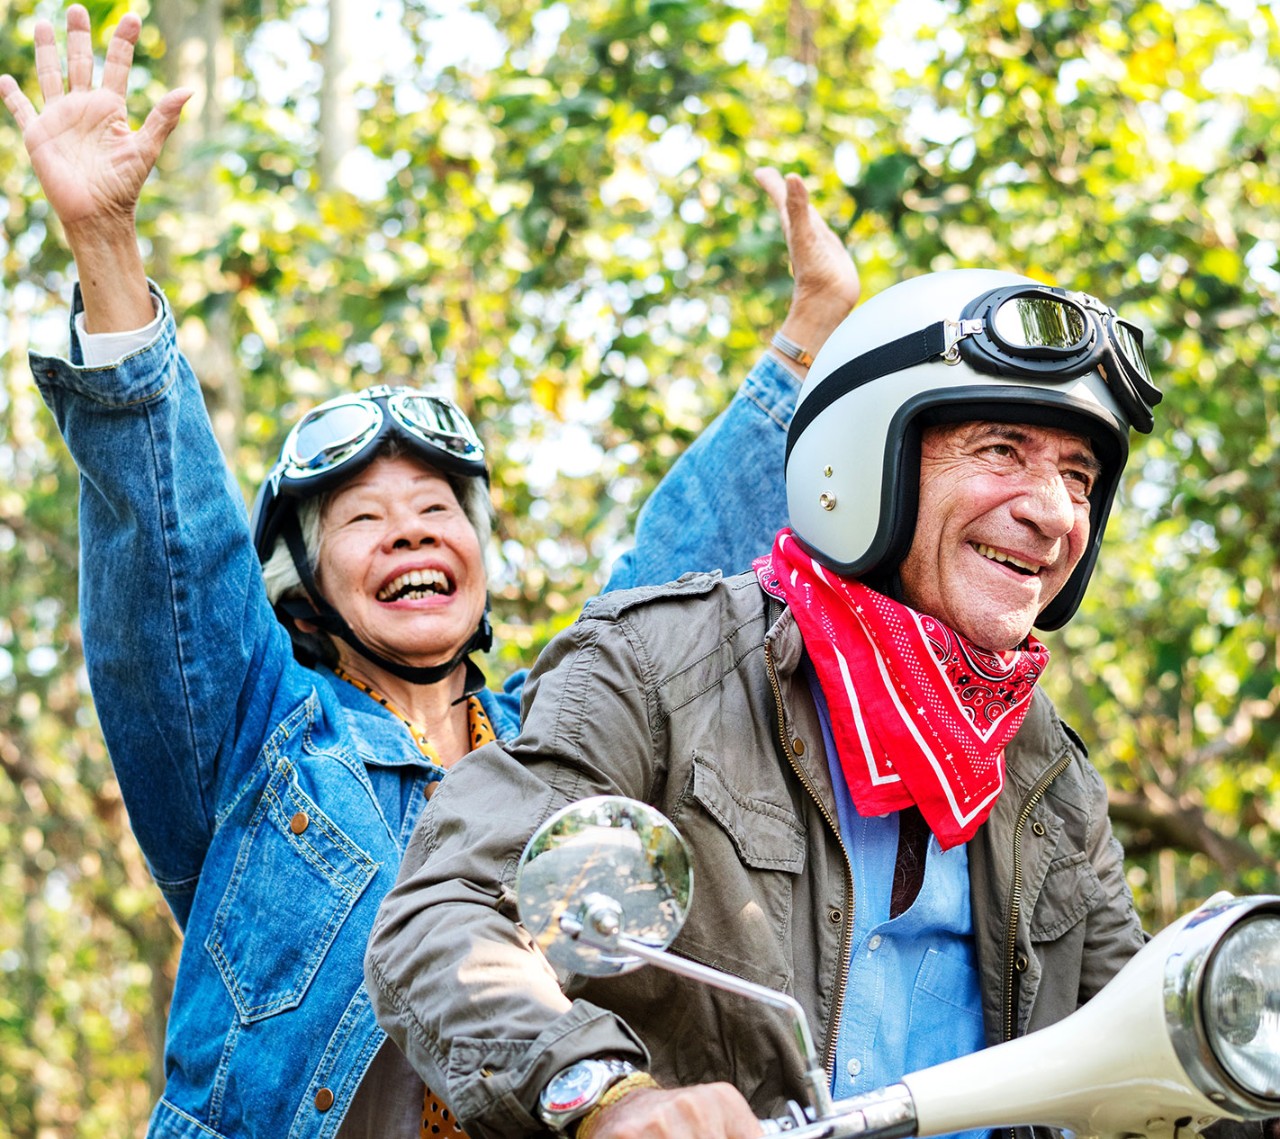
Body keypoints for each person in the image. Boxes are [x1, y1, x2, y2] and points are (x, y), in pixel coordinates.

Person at [0, 7, 860, 1138]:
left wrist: (807, 336)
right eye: (363, 517)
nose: (411, 531)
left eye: (436, 508)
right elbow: (175, 553)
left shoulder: (554, 737)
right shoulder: (264, 741)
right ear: (306, 580)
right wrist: (107, 249)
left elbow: (673, 570)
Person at [364, 269, 1168, 1139]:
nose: (1054, 514)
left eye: (1080, 478)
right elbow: (445, 914)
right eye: (1002, 450)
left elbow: (1141, 1030)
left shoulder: (1046, 769)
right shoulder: (661, 665)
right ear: (863, 457)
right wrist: (606, 1099)